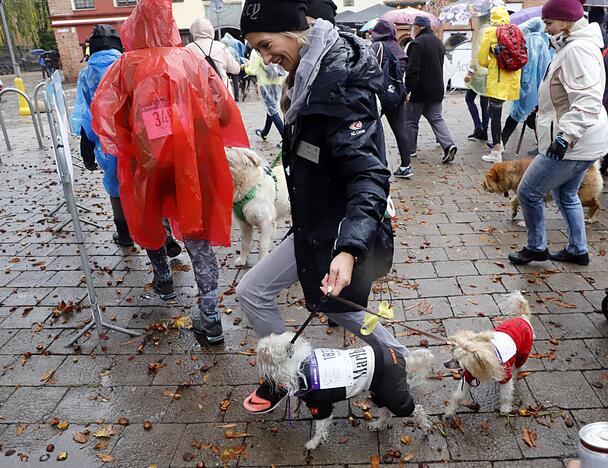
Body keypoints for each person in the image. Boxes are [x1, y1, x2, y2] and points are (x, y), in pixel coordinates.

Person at [236, 0, 407, 413]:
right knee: (254, 290)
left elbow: (369, 175)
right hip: (315, 225)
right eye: (257, 50)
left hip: (343, 231)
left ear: (295, 31)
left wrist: (348, 250)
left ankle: (397, 360)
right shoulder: (308, 76)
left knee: (343, 310)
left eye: (266, 44)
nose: (265, 57)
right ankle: (284, 375)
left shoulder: (338, 86)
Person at [91, 0, 250, 343]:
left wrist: (126, 144)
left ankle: (163, 277)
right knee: (197, 232)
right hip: (192, 160)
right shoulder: (192, 61)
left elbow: (107, 115)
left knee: (149, 216)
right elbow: (223, 110)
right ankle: (210, 313)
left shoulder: (125, 66)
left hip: (147, 164)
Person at [508, 0, 608, 266]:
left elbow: (587, 99)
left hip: (573, 143)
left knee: (528, 192)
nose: (546, 27)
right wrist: (542, 108)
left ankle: (536, 247)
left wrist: (564, 137)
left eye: (549, 22)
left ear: (566, 21)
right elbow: (566, 93)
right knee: (566, 195)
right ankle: (578, 249)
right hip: (582, 141)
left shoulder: (577, 50)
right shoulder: (574, 46)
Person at [72, 25, 134, 246]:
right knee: (145, 184)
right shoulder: (128, 66)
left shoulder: (87, 75)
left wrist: (86, 152)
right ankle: (162, 234)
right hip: (136, 139)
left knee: (114, 184)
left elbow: (85, 115)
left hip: (107, 142)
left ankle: (124, 233)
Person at [404, 16, 458, 165]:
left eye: (413, 27)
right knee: (436, 118)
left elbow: (412, 70)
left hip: (419, 91)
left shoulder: (416, 44)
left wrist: (408, 90)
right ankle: (448, 145)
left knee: (410, 121)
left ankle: (410, 150)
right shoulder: (438, 42)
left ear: (418, 27)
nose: (411, 30)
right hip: (436, 89)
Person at [478, 6, 522, 163]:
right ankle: (500, 145)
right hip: (513, 81)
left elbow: (482, 60)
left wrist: (492, 60)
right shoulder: (516, 30)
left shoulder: (490, 32)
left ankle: (496, 151)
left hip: (497, 81)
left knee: (495, 116)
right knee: (500, 113)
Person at [500, 18, 553, 147]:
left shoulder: (530, 42)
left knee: (518, 114)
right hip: (541, 87)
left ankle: (501, 142)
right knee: (533, 116)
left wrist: (524, 86)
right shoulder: (543, 41)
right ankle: (542, 143)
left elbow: (528, 68)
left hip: (529, 86)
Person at [370, 20, 411, 178]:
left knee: (371, 128)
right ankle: (406, 166)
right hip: (397, 94)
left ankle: (378, 164)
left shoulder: (377, 47)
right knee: (400, 129)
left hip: (380, 95)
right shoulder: (398, 48)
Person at [186, 17, 241, 99]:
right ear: (210, 29)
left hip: (201, 98)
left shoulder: (188, 49)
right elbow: (235, 69)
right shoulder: (221, 47)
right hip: (224, 96)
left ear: (193, 32)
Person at [245, 48, 286, 141]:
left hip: (265, 85)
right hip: (277, 83)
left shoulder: (256, 51)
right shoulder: (273, 47)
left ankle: (285, 138)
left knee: (272, 111)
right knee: (272, 108)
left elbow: (252, 70)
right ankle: (264, 132)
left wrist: (245, 66)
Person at [464, 15, 490, 141]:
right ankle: (484, 130)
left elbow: (476, 57)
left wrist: (469, 73)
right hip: (490, 72)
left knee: (469, 99)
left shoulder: (479, 33)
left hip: (478, 73)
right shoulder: (492, 31)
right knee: (485, 103)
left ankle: (478, 127)